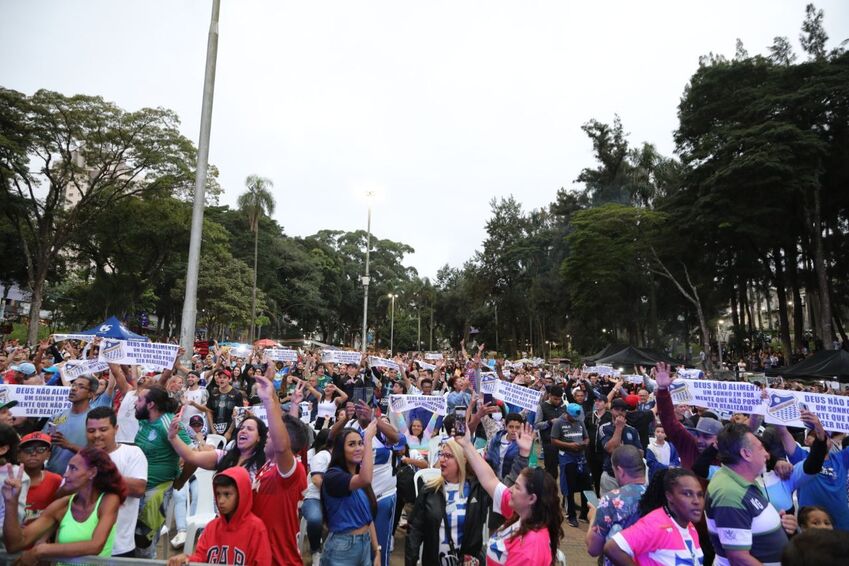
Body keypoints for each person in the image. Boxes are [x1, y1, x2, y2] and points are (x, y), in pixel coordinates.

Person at [456, 421, 563, 566]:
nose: (510, 489)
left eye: (517, 487)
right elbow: (490, 480)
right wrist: (467, 445)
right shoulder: (521, 512)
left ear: (531, 498)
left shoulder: (530, 549)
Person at [3, 447, 126, 562]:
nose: (66, 475)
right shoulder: (62, 505)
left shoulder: (109, 500)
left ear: (92, 473)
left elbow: (95, 546)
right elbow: (15, 545)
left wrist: (41, 550)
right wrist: (11, 502)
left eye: (73, 468)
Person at [705, 423, 797, 566]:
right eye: (761, 448)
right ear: (746, 454)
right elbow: (739, 559)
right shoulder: (730, 494)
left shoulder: (740, 480)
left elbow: (747, 520)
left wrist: (777, 523)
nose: (767, 454)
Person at [251, 363, 309, 566]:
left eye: (273, 433)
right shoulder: (270, 464)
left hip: (280, 560)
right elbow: (290, 431)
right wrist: (292, 404)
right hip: (261, 554)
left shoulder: (290, 470)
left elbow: (284, 444)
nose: (268, 434)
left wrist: (269, 401)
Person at [405, 438, 493, 565]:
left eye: (448, 456)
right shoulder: (429, 491)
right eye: (441, 454)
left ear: (462, 459)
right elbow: (414, 532)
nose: (442, 459)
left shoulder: (477, 490)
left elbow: (500, 487)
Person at [167, 466, 272, 566]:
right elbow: (200, 558)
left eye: (227, 494)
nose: (221, 500)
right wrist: (186, 559)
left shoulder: (256, 529)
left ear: (241, 494)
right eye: (218, 494)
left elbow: (262, 562)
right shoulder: (212, 527)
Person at [133, 385, 193, 558]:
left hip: (155, 492)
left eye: (139, 400)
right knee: (130, 543)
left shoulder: (168, 423)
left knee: (144, 546)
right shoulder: (144, 420)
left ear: (151, 404)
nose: (135, 403)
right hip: (136, 490)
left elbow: (193, 455)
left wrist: (181, 480)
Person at [604, 468, 705, 566]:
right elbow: (613, 548)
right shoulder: (656, 524)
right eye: (687, 494)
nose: (696, 501)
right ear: (669, 496)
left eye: (700, 495)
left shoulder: (689, 525)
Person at [84, 406, 148, 558]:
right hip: (81, 546)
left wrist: (97, 475)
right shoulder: (81, 459)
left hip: (119, 547)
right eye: (91, 431)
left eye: (103, 429)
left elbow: (139, 489)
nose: (97, 435)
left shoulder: (132, 453)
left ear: (116, 429)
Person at [321, 421, 380, 566]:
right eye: (352, 444)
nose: (359, 448)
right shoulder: (333, 476)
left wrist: (377, 550)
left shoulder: (357, 477)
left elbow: (367, 518)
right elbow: (366, 479)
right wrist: (367, 439)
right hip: (342, 547)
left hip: (364, 544)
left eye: (360, 443)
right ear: (341, 450)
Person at [586, 445, 647, 566]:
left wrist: (593, 516)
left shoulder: (611, 500)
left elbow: (593, 549)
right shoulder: (657, 497)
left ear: (620, 471)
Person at [44, 374, 98, 475]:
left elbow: (97, 454)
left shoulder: (95, 419)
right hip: (52, 475)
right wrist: (48, 439)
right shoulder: (57, 417)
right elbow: (46, 441)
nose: (73, 389)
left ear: (90, 394)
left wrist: (69, 445)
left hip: (79, 479)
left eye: (81, 387)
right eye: (73, 385)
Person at [551, 402, 590, 527]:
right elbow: (553, 440)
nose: (575, 421)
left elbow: (586, 437)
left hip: (581, 457)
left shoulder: (580, 421)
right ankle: (571, 515)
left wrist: (584, 443)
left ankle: (585, 513)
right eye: (573, 418)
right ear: (567, 414)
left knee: (586, 486)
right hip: (567, 458)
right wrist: (569, 445)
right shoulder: (558, 423)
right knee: (569, 487)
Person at [599, 398, 643, 495]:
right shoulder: (605, 428)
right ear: (611, 410)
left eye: (623, 410)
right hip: (611, 476)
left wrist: (623, 449)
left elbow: (640, 454)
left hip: (630, 477)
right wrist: (619, 427)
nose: (620, 413)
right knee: (608, 507)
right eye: (617, 409)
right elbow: (610, 449)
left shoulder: (632, 430)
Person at [303, 429, 331, 563]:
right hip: (314, 497)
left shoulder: (343, 456)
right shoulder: (322, 455)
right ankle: (316, 551)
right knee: (315, 519)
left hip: (333, 499)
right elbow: (316, 480)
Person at [536, 385, 566, 481]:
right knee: (551, 471)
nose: (557, 401)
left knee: (565, 470)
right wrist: (549, 422)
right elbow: (536, 424)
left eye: (559, 399)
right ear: (550, 395)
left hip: (563, 443)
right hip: (549, 443)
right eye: (555, 399)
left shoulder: (564, 406)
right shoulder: (542, 407)